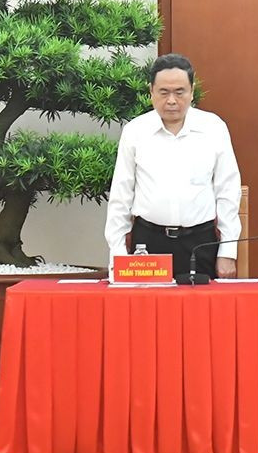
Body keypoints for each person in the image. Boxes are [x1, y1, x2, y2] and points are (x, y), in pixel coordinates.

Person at [103, 53, 243, 283]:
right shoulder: (135, 132)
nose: (171, 101)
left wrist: (227, 252)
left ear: (192, 90)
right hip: (148, 243)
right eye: (164, 92)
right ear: (151, 91)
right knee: (149, 315)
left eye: (180, 92)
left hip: (201, 242)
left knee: (201, 315)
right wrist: (117, 254)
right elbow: (121, 196)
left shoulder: (213, 128)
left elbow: (228, 192)